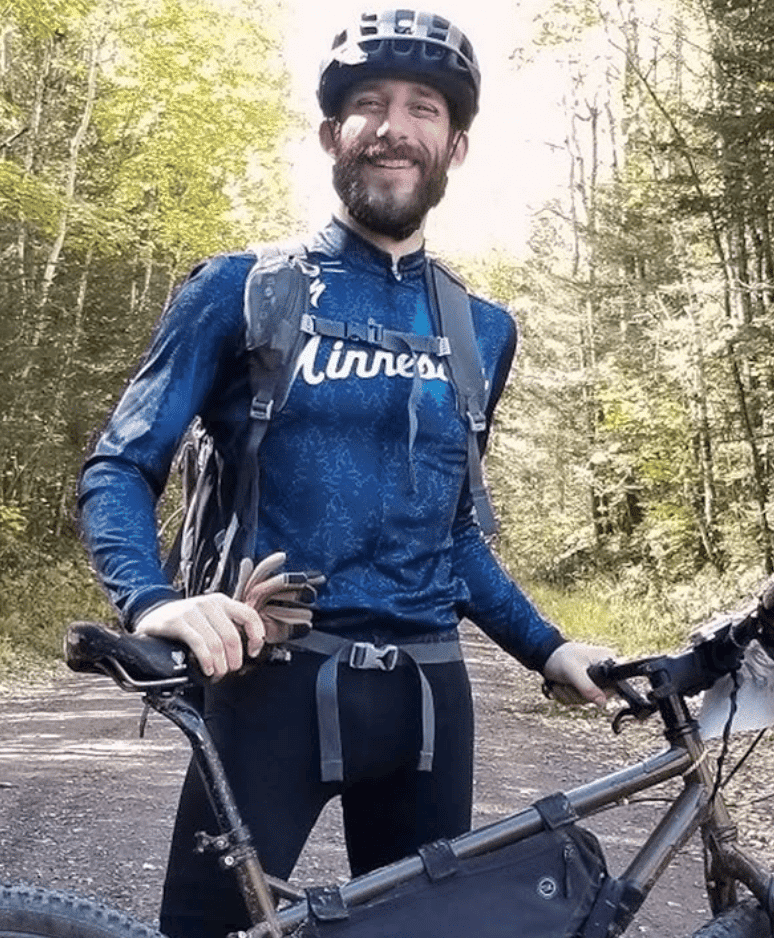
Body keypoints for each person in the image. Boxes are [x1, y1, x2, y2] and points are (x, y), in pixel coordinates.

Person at [77, 9, 611, 937]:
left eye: (423, 107)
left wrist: (549, 648)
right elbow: (122, 463)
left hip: (429, 703)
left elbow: (450, 533)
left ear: (456, 144)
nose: (393, 125)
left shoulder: (483, 330)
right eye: (368, 102)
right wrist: (151, 599)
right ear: (333, 134)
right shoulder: (240, 289)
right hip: (271, 682)